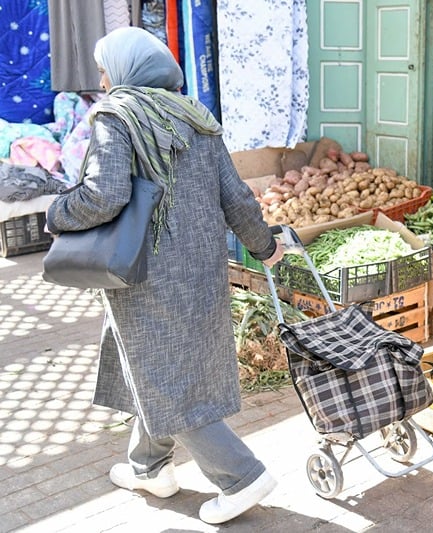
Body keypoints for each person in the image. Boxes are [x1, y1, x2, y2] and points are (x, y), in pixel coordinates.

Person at [45, 27, 284, 525]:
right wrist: (266, 247)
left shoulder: (119, 115)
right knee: (153, 362)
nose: (104, 79)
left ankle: (241, 476)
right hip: (200, 268)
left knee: (169, 378)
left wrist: (57, 213)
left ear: (127, 68)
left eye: (106, 68)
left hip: (145, 271)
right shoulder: (195, 115)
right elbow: (235, 197)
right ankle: (148, 466)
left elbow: (103, 195)